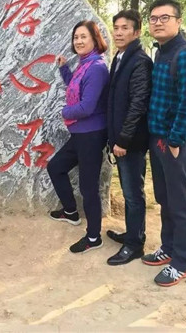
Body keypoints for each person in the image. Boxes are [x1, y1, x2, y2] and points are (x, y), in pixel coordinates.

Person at [142, 0, 186, 286]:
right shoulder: (161, 53)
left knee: (180, 202)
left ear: (178, 21)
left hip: (177, 141)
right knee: (164, 198)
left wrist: (175, 140)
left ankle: (183, 261)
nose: (158, 22)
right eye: (154, 18)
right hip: (158, 139)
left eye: (164, 17)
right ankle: (168, 248)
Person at [48, 20, 109, 254]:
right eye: (76, 37)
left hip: (91, 135)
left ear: (95, 39)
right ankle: (71, 212)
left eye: (84, 37)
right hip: (80, 134)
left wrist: (64, 112)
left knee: (88, 187)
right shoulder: (85, 65)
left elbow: (86, 106)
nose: (79, 41)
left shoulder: (96, 67)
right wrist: (65, 70)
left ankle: (94, 237)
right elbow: (76, 86)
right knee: (56, 167)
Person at [105, 9, 152, 266]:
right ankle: (132, 233)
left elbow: (138, 104)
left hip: (131, 143)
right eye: (116, 28)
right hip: (120, 139)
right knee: (128, 191)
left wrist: (123, 140)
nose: (119, 32)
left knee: (133, 194)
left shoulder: (140, 61)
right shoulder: (121, 57)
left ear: (137, 32)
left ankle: (135, 245)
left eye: (125, 28)